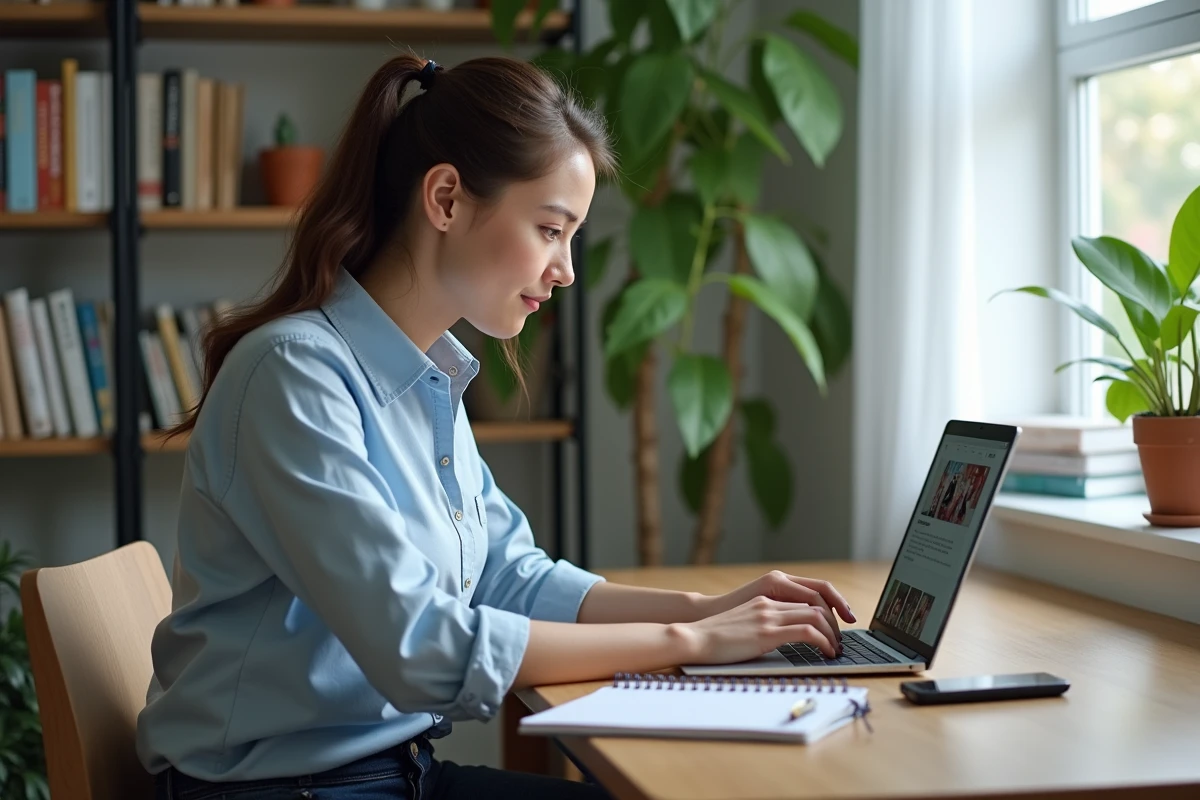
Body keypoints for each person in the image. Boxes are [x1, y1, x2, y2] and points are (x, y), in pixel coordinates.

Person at [135, 54, 856, 800]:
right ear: (445, 198)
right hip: (289, 790)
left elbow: (510, 577)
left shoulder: (428, 377)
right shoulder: (293, 376)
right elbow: (420, 647)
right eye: (550, 228)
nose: (566, 269)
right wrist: (694, 643)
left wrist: (714, 608)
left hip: (392, 774)